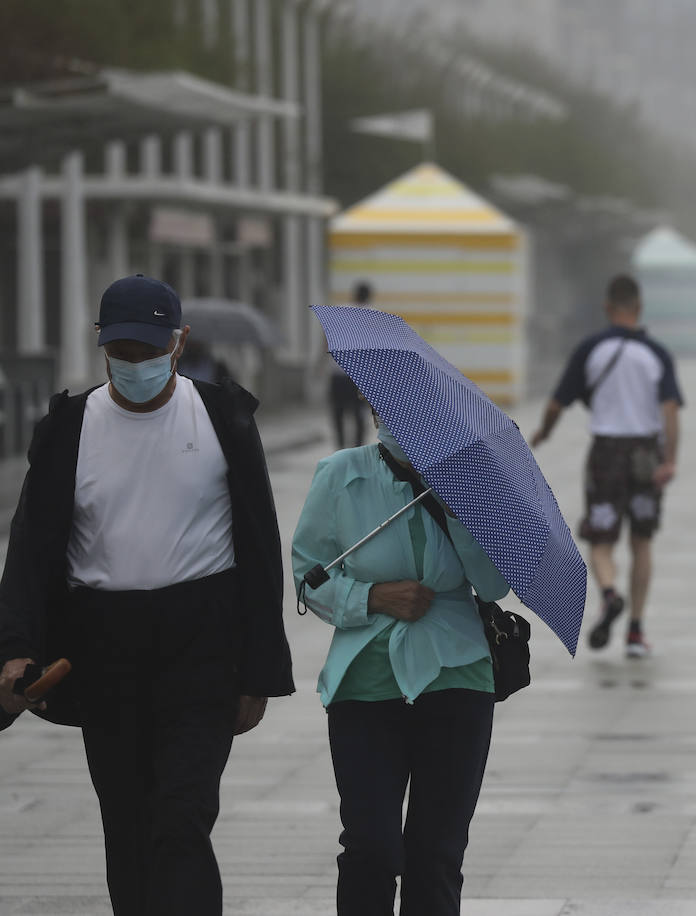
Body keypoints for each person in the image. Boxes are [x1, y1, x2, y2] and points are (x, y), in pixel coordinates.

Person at [0, 274, 294, 916]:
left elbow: (260, 548)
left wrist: (260, 671)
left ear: (180, 342)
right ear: (102, 345)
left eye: (148, 351)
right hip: (106, 651)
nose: (135, 365)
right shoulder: (70, 428)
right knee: (128, 827)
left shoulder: (223, 418)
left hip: (202, 647)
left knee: (181, 819)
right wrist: (15, 648)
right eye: (122, 353)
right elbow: (31, 548)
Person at [293, 409, 510, 916]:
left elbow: (496, 584)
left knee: (436, 854)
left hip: (457, 679)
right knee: (371, 846)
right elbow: (309, 577)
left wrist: (459, 510)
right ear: (372, 411)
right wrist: (371, 598)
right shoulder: (341, 474)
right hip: (363, 687)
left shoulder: (470, 477)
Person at [529, 274, 683, 658]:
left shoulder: (590, 349)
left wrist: (543, 434)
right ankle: (635, 631)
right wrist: (670, 460)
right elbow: (670, 410)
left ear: (607, 307)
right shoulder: (657, 354)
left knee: (601, 540)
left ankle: (610, 594)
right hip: (646, 454)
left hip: (606, 455)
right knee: (642, 541)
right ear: (639, 308)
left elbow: (555, 404)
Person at [330, 281, 372, 450]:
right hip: (360, 375)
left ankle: (340, 447)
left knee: (338, 411)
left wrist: (318, 366)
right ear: (368, 297)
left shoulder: (339, 313)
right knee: (359, 413)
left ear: (354, 295)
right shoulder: (373, 316)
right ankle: (358, 447)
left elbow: (326, 340)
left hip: (338, 372)